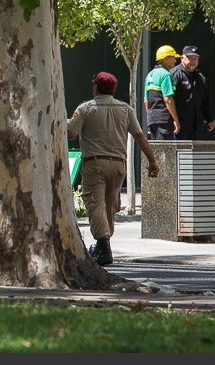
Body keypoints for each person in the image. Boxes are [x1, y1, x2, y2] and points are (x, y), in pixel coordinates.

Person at [67, 72, 160, 266]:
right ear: (114, 89)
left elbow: (71, 134)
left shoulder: (85, 108)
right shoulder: (125, 109)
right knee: (109, 207)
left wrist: (63, 121)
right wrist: (153, 161)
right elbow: (140, 136)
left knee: (96, 205)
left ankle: (103, 246)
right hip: (119, 166)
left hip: (95, 164)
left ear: (95, 87)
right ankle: (103, 244)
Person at [170, 45, 215, 140]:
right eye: (190, 58)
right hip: (179, 125)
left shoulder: (200, 78)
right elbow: (169, 100)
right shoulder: (174, 75)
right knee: (179, 153)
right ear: (182, 58)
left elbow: (205, 102)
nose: (193, 61)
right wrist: (174, 120)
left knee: (195, 154)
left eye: (196, 58)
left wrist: (209, 119)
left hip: (196, 126)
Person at [144, 45, 181, 140]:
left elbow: (146, 101)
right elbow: (168, 99)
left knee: (156, 150)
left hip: (152, 120)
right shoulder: (166, 75)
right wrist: (176, 120)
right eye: (173, 58)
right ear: (166, 59)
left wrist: (150, 117)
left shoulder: (149, 75)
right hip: (164, 120)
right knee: (165, 151)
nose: (175, 61)